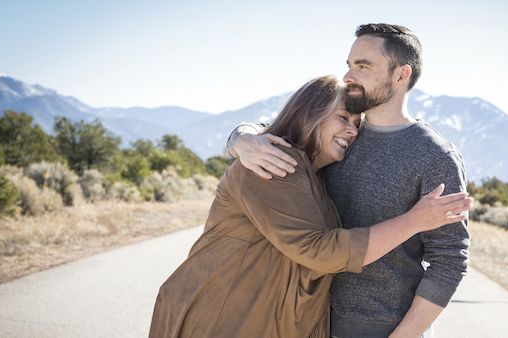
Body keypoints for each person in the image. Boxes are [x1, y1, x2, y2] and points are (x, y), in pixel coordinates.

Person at [150, 76, 471, 338]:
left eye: (356, 123)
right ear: (310, 114)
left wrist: (242, 136)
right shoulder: (274, 164)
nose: (352, 130)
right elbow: (320, 250)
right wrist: (414, 221)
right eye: (343, 118)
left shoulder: (313, 171)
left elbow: (450, 259)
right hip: (220, 318)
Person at [227, 24, 470, 338]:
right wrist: (241, 139)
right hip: (307, 323)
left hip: (383, 330)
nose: (348, 76)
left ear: (401, 75)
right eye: (350, 65)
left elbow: (449, 261)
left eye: (363, 66)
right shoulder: (338, 135)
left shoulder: (436, 157)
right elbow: (277, 130)